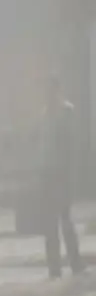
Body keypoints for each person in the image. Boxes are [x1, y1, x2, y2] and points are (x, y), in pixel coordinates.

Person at [42, 76, 84, 279]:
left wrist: (69, 174)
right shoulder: (45, 114)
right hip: (48, 172)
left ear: (58, 90)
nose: (48, 94)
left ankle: (75, 264)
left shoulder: (66, 112)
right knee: (50, 222)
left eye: (51, 90)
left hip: (62, 172)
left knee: (65, 219)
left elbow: (70, 146)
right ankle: (54, 268)